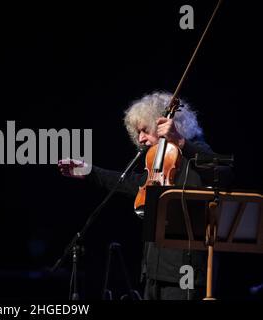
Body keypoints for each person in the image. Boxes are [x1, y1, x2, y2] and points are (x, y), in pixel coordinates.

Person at [58, 91, 233, 300]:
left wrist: (179, 141)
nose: (140, 138)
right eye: (137, 132)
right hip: (153, 272)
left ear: (164, 125)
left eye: (145, 130)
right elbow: (129, 182)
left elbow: (223, 172)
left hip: (186, 272)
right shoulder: (158, 166)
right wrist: (90, 171)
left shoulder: (194, 151)